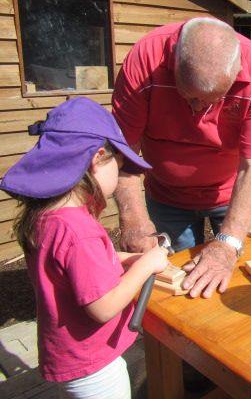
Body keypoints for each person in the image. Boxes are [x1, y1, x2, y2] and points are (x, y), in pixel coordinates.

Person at [0, 98, 169, 399]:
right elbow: (103, 308)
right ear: (98, 157)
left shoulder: (48, 217)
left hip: (69, 354)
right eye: (118, 166)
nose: (118, 178)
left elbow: (74, 267)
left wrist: (129, 258)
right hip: (94, 365)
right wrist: (148, 265)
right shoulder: (79, 231)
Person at [112, 17, 251, 298]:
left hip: (234, 196)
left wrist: (227, 243)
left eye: (213, 99)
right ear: (174, 61)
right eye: (190, 97)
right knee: (179, 286)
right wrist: (134, 219)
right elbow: (120, 155)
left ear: (236, 71)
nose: (199, 110)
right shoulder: (145, 61)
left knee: (240, 282)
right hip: (168, 197)